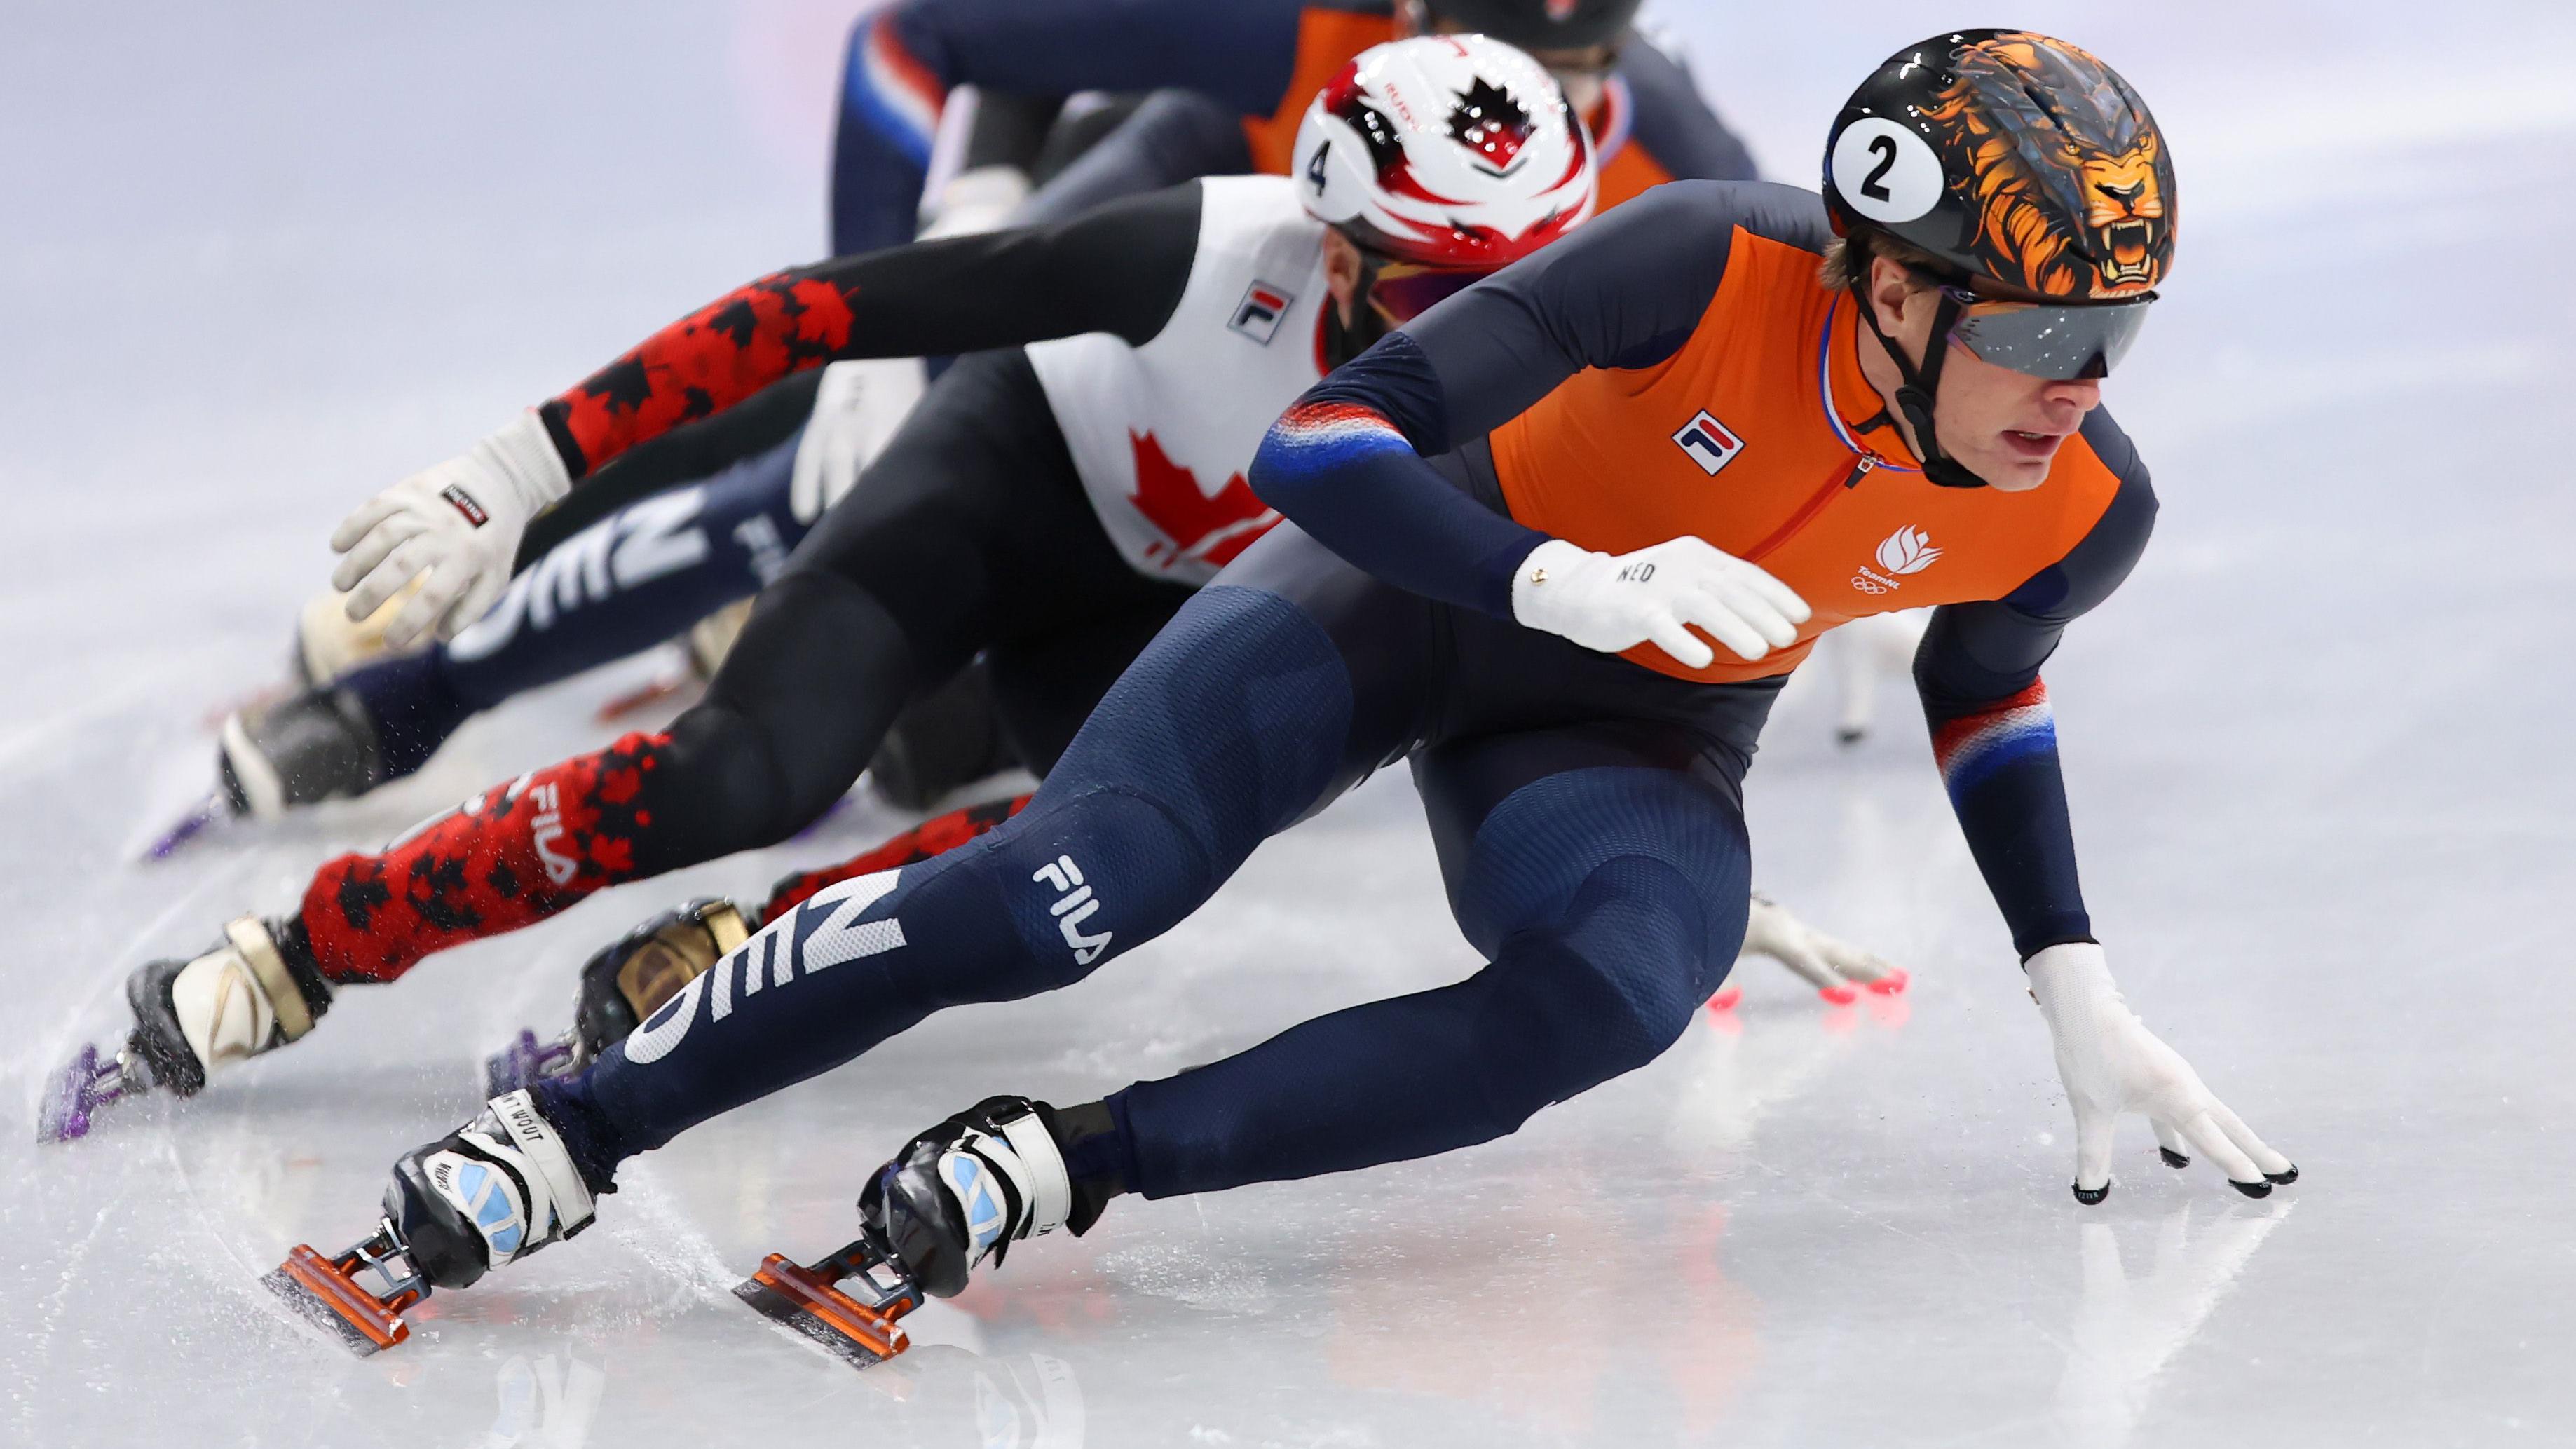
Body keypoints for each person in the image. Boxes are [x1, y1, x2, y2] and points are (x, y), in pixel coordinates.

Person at [324, 30, 2291, 1324]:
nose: (2081, 381)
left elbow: (1988, 681)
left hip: (1631, 724)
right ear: (1886, 279)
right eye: (2041, 322)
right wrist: (1559, 574)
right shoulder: (1701, 257)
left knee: (1619, 993)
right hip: (1411, 582)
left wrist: (2068, 969)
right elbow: (1326, 445)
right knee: (1052, 900)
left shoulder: (2081, 501)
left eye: (2115, 329)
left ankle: (1060, 1161)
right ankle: (568, 1132)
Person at [46, 39, 1888, 1149]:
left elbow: (1493, 650)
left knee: (1099, 832)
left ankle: (752, 949)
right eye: (1413, 288)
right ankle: (315, 939)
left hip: (1172, 604)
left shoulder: (1553, 358)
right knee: (733, 770)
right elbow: (821, 307)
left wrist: (1672, 815)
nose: (1464, 331)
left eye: (1513, 280)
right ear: (1326, 237)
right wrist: (519, 470)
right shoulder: (1204, 249)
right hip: (1013, 490)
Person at [830, 0, 1758, 257]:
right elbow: (938, 36)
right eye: (1474, 73)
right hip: (1232, 153)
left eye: (1560, 91)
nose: (1503, 129)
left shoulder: (1680, 160)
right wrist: (986, 184)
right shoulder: (1295, 28)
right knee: (980, 321)